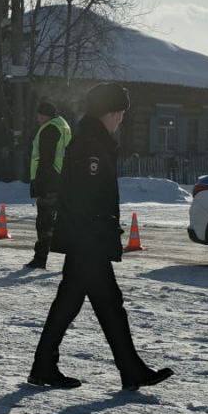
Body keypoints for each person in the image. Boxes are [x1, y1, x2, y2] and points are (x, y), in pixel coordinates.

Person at [29, 82, 173, 392]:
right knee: (105, 303)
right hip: (88, 239)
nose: (121, 119)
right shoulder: (91, 145)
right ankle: (128, 369)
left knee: (78, 303)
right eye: (119, 112)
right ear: (106, 112)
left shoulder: (95, 141)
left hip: (88, 238)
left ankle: (46, 365)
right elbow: (85, 198)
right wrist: (100, 232)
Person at [26, 100, 72, 269]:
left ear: (45, 115)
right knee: (60, 222)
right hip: (61, 179)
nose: (37, 118)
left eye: (39, 114)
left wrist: (39, 185)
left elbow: (45, 160)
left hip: (49, 181)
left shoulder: (49, 129)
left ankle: (40, 258)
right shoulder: (63, 126)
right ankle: (73, 258)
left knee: (44, 222)